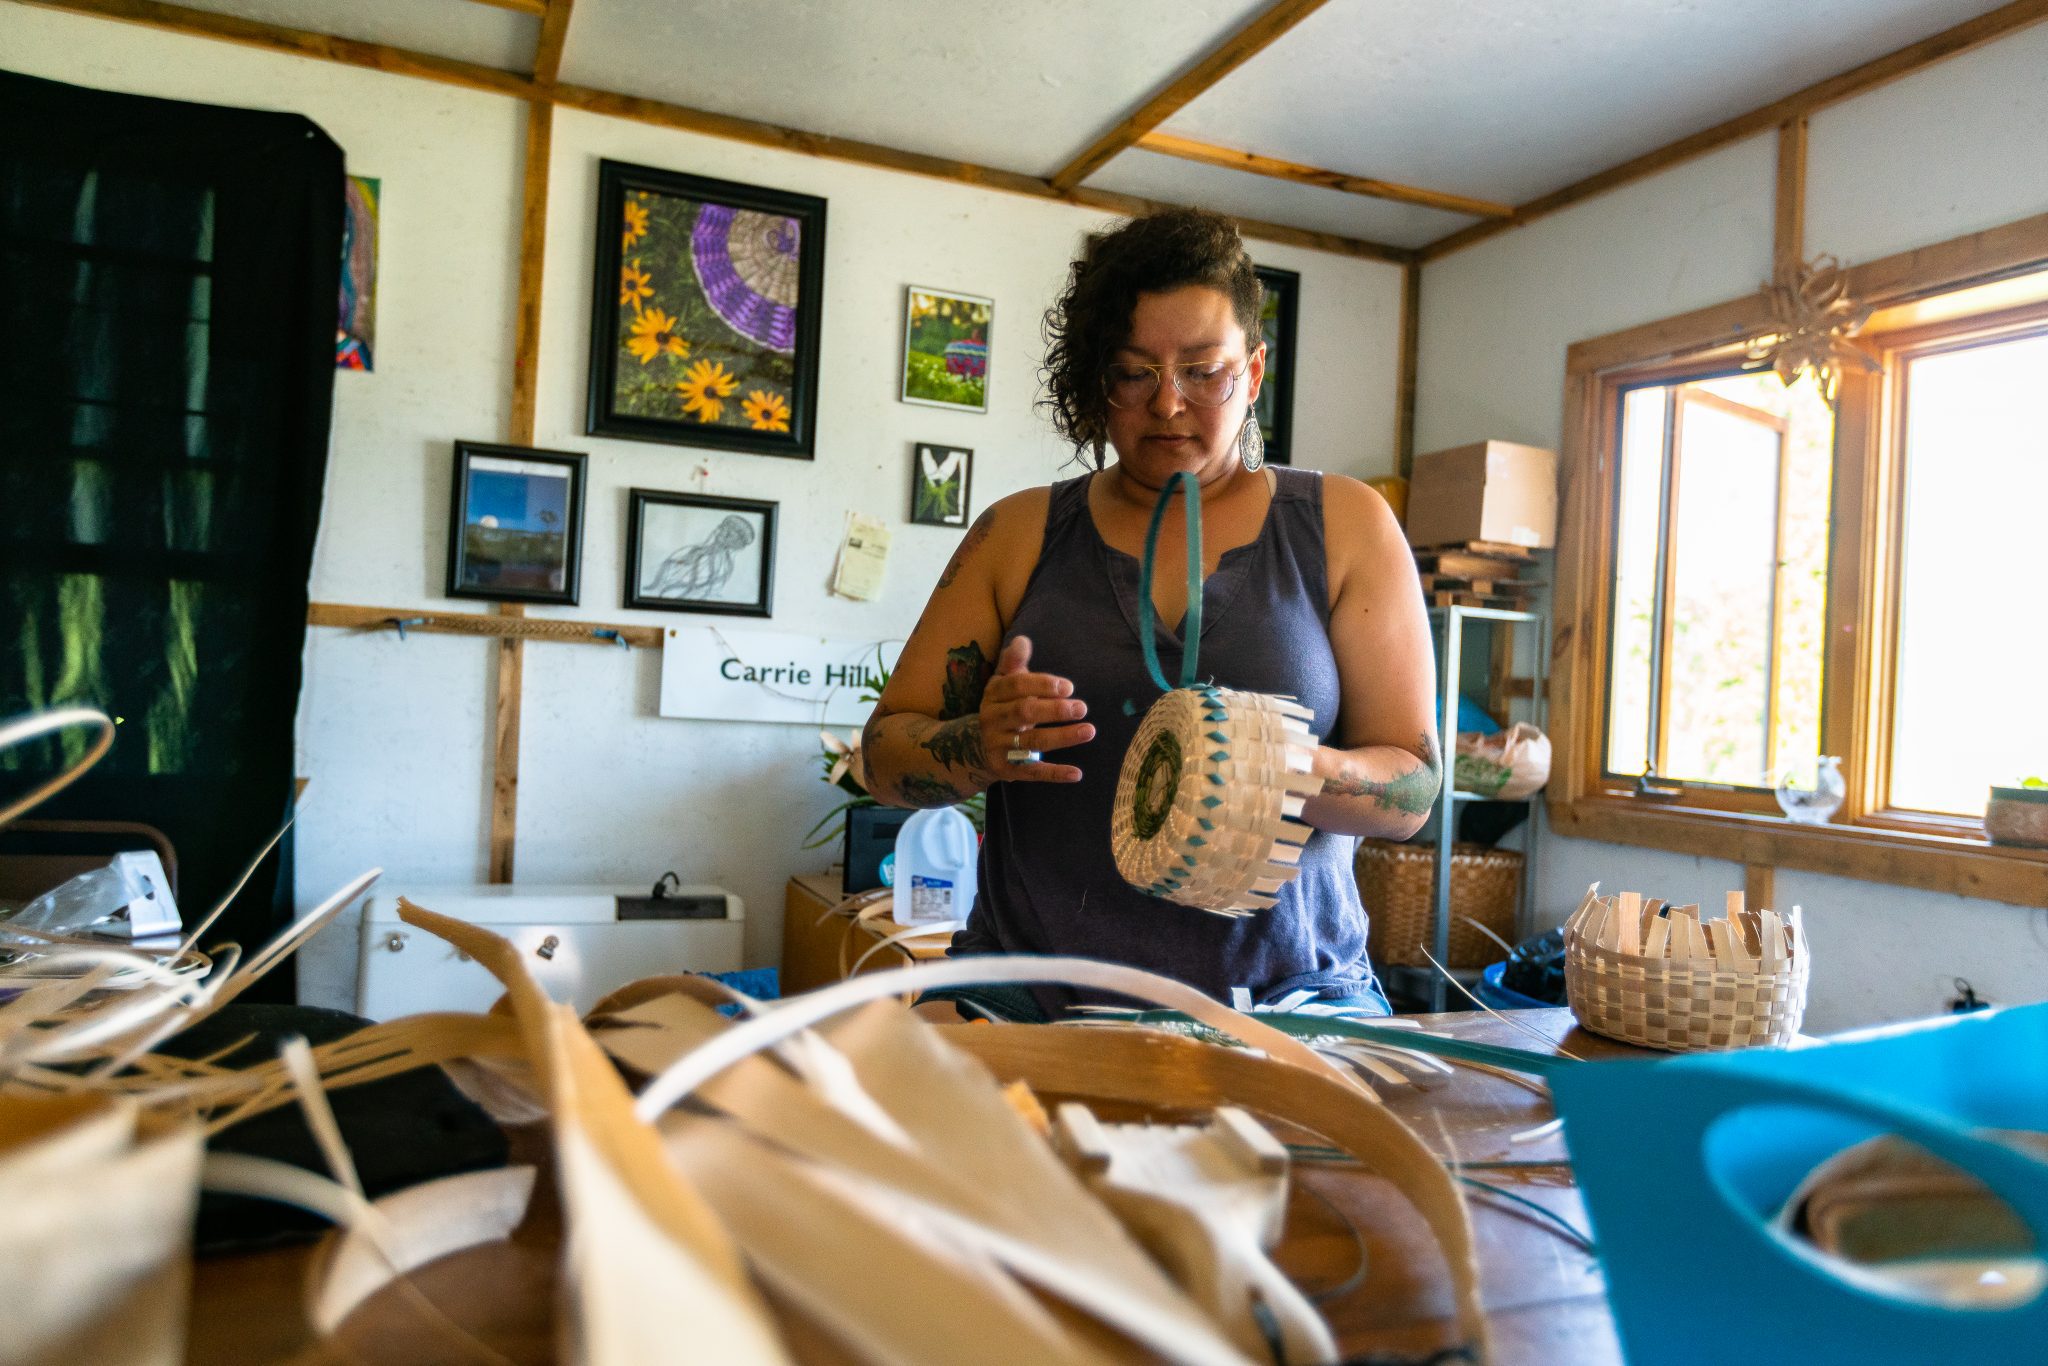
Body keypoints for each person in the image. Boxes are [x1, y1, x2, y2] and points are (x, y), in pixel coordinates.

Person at [861, 208, 1441, 1022]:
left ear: (1254, 371)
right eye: (1133, 374)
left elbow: (1414, 790)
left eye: (1204, 372)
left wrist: (1276, 765)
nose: (1168, 403)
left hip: (1290, 1005)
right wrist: (977, 748)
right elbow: (882, 757)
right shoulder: (1016, 535)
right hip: (1032, 1001)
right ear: (1096, 380)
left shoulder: (1346, 525)